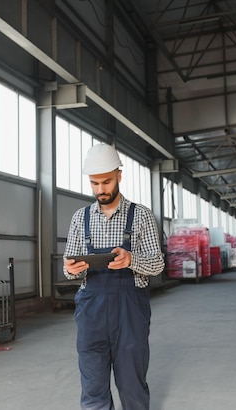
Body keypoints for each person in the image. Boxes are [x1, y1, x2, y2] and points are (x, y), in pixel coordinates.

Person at [63, 143, 165, 410]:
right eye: (94, 183)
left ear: (119, 175)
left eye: (106, 182)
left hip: (129, 310)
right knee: (93, 383)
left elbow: (157, 265)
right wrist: (72, 269)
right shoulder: (79, 219)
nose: (100, 190)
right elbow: (68, 267)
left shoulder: (140, 216)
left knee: (132, 382)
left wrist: (131, 259)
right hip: (91, 311)